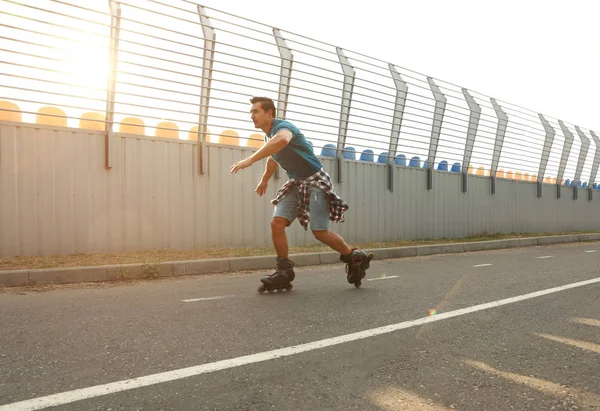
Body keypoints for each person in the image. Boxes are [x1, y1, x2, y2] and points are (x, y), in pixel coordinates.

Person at [230, 96, 372, 290]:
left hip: (315, 181)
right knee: (277, 223)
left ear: (269, 113)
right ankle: (284, 272)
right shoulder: (268, 137)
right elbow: (273, 158)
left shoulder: (284, 127)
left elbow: (281, 141)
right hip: (296, 182)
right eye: (251, 112)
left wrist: (250, 160)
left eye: (256, 111)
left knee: (319, 232)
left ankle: (354, 257)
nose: (252, 116)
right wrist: (264, 180)